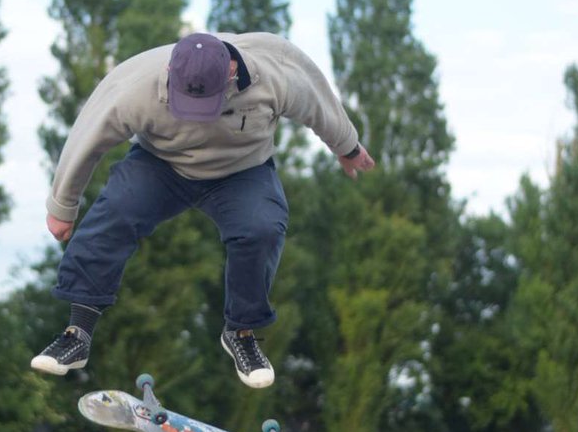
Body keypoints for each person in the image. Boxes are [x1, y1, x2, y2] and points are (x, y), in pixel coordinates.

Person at [31, 31, 375, 388]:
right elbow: (87, 138)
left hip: (242, 170)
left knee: (262, 228)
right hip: (161, 164)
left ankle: (241, 331)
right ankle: (78, 332)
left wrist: (347, 147)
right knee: (113, 212)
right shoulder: (135, 85)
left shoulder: (274, 73)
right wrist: (63, 205)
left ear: (230, 71)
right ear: (169, 70)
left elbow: (317, 101)